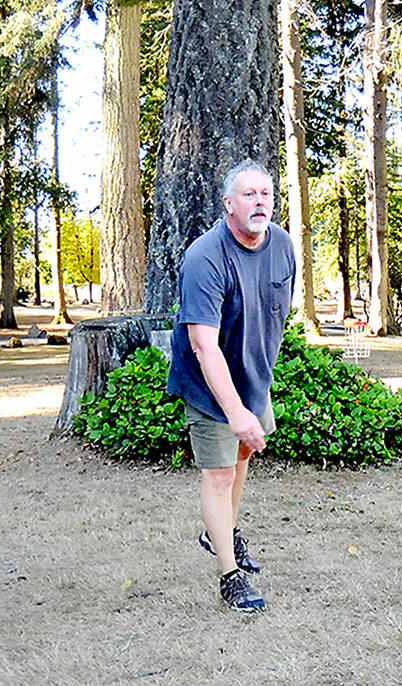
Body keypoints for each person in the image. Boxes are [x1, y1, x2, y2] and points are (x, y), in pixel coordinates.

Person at [166, 159, 296, 612]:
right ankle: (230, 575)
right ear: (228, 204)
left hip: (252, 377)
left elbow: (274, 315)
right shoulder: (205, 257)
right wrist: (236, 412)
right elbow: (203, 345)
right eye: (248, 194)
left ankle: (219, 530)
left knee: (242, 455)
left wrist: (254, 394)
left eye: (265, 193)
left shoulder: (282, 245)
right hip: (208, 380)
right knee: (219, 473)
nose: (259, 202)